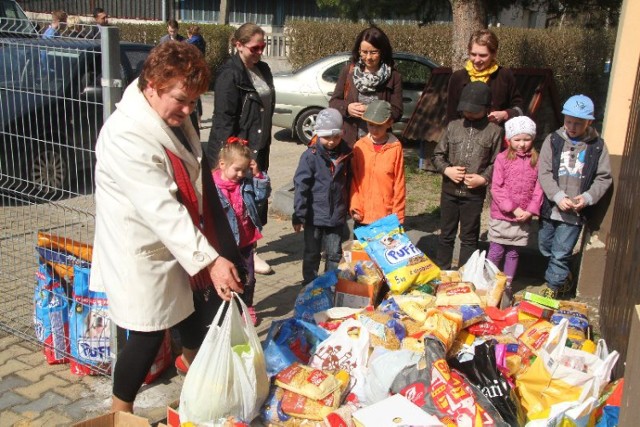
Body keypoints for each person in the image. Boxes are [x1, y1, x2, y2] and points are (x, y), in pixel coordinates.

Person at [91, 42, 243, 413]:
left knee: (191, 318)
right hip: (141, 250)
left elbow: (194, 171)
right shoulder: (127, 135)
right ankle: (119, 413)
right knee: (146, 336)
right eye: (181, 99)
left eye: (194, 101)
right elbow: (160, 209)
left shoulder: (170, 113)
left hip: (176, 243)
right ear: (153, 84)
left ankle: (199, 395)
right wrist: (210, 260)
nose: (190, 110)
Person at [207, 22, 275, 275]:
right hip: (239, 151)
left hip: (259, 146)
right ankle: (238, 256)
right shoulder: (229, 74)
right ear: (238, 45)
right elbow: (223, 121)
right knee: (237, 204)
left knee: (255, 199)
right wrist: (236, 157)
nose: (259, 53)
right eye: (255, 48)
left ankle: (250, 250)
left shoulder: (263, 70)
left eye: (263, 47)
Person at [537, 94, 612, 298]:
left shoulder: (597, 146)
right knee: (545, 246)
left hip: (574, 213)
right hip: (552, 208)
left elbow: (604, 177)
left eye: (578, 123)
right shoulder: (553, 140)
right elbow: (543, 172)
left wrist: (587, 198)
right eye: (568, 121)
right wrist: (558, 196)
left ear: (589, 122)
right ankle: (564, 276)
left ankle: (552, 288)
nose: (572, 126)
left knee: (561, 252)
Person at [432, 81, 503, 270]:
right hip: (449, 191)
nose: (469, 114)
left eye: (474, 110)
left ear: (487, 109)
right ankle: (443, 271)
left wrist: (484, 178)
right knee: (446, 234)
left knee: (469, 237)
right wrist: (447, 169)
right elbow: (438, 155)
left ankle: (465, 275)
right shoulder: (454, 126)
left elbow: (497, 162)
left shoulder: (494, 131)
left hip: (474, 195)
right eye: (466, 110)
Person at [212, 137, 271, 325]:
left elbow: (262, 196)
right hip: (224, 244)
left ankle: (247, 306)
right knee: (228, 278)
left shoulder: (245, 182)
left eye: (244, 169)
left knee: (249, 278)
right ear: (222, 164)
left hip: (245, 241)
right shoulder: (213, 188)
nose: (240, 174)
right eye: (236, 169)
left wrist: (257, 175)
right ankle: (226, 310)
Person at [487, 116, 543, 307]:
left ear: (532, 139)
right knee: (496, 250)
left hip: (523, 218)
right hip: (502, 215)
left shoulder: (537, 160)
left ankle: (508, 285)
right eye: (517, 139)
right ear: (509, 140)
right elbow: (497, 188)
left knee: (513, 253)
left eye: (526, 139)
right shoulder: (502, 159)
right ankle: (490, 282)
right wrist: (513, 208)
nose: (521, 144)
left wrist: (530, 210)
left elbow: (539, 188)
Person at [293, 108, 352, 284]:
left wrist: (347, 207)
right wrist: (299, 214)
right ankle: (309, 284)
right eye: (327, 137)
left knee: (334, 254)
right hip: (314, 216)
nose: (332, 142)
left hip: (336, 216)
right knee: (312, 253)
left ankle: (329, 284)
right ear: (318, 134)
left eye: (336, 137)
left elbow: (349, 182)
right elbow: (301, 186)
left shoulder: (347, 154)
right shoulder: (310, 156)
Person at [329, 26, 403, 148]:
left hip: (379, 144)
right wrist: (347, 108)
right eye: (364, 52)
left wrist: (373, 111)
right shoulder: (348, 72)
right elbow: (333, 102)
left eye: (373, 52)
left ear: (382, 51)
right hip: (350, 143)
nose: (368, 57)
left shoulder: (394, 76)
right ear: (358, 51)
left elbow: (397, 111)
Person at [446, 29, 523, 126]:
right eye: (473, 54)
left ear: (494, 54)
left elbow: (519, 108)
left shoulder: (504, 76)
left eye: (483, 55)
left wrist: (505, 114)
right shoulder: (457, 78)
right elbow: (451, 116)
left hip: (496, 136)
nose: (477, 60)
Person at [350, 99, 406, 226]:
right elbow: (354, 181)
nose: (374, 129)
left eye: (379, 125)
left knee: (384, 246)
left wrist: (398, 216)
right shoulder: (359, 146)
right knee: (360, 246)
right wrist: (355, 207)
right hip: (361, 216)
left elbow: (399, 184)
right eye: (370, 124)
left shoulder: (396, 148)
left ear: (389, 123)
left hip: (385, 218)